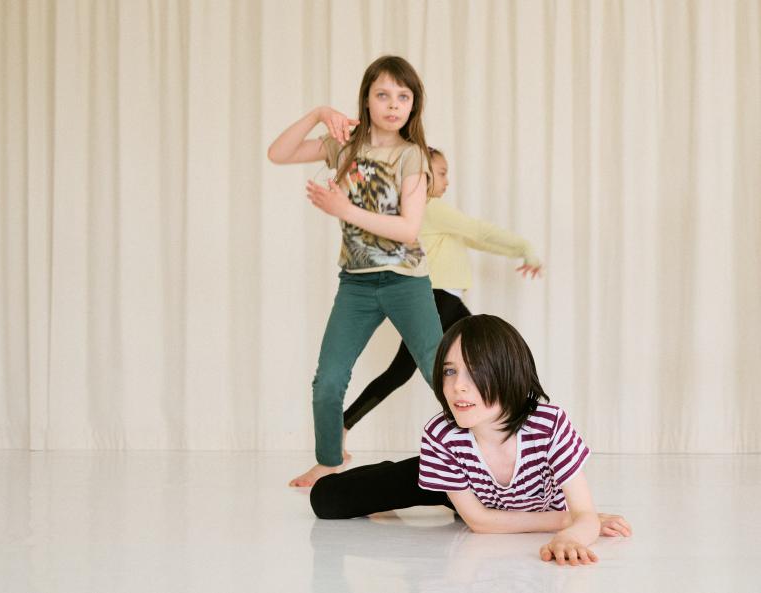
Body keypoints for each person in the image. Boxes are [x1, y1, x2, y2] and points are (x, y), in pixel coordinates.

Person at [311, 315, 632, 565]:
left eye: (474, 371)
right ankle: (388, 471)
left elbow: (586, 516)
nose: (457, 387)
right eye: (450, 372)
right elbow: (479, 521)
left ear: (509, 373)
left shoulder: (549, 425)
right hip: (456, 487)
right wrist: (564, 521)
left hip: (482, 493)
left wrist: (573, 537)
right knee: (327, 500)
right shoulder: (443, 435)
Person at [267, 55, 441, 487]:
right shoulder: (344, 147)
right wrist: (318, 114)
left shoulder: (412, 156)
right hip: (356, 286)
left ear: (413, 105)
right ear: (366, 99)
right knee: (328, 380)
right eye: (383, 94)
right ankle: (329, 461)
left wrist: (344, 209)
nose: (393, 104)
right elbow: (278, 153)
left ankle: (485, 455)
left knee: (442, 373)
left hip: (407, 282)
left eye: (403, 96)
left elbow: (408, 228)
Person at [342, 147, 542, 456]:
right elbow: (480, 230)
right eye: (443, 172)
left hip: (436, 299)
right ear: (422, 176)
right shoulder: (431, 207)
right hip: (436, 298)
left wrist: (521, 252)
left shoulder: (424, 213)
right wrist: (526, 246)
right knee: (484, 355)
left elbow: (475, 239)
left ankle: (342, 427)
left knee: (407, 371)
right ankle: (492, 433)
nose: (448, 180)